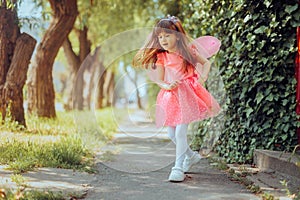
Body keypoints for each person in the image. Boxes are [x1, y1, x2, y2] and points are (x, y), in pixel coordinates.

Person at [133, 16, 221, 182]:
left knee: (181, 131)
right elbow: (159, 79)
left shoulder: (188, 52)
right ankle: (191, 156)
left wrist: (202, 78)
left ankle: (178, 167)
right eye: (160, 37)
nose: (163, 40)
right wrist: (166, 85)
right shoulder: (162, 57)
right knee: (172, 134)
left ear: (177, 36)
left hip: (187, 94)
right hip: (171, 95)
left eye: (167, 35)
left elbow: (206, 63)